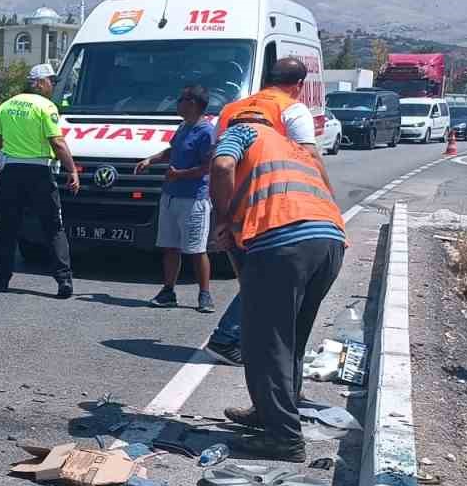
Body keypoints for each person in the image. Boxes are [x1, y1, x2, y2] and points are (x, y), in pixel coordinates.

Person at [209, 110, 346, 461]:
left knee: (263, 343)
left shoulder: (242, 133)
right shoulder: (294, 147)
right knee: (291, 340)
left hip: (284, 243)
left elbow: (222, 166)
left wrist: (223, 218)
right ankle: (270, 413)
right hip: (329, 242)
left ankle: (283, 437)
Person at [205, 57, 329, 363]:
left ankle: (239, 339)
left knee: (255, 280)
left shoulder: (231, 109)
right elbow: (309, 156)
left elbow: (219, 162)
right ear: (299, 86)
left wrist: (221, 215)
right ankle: (230, 338)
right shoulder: (292, 108)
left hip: (233, 204)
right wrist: (325, 199)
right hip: (275, 209)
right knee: (265, 283)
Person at [0, 64, 79, 298]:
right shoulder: (45, 106)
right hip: (38, 172)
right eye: (50, 81)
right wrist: (72, 170)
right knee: (53, 227)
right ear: (39, 83)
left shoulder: (7, 106)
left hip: (11, 172)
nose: (53, 85)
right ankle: (64, 280)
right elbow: (57, 142)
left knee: (8, 227)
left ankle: (0, 279)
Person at [134, 83, 215, 312]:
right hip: (171, 196)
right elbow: (172, 151)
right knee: (170, 247)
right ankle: (168, 291)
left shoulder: (206, 131)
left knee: (197, 249)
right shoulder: (183, 127)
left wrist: (180, 174)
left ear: (192, 104)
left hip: (193, 198)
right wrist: (151, 159)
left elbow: (208, 166)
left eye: (181, 99)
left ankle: (205, 294)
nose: (177, 103)